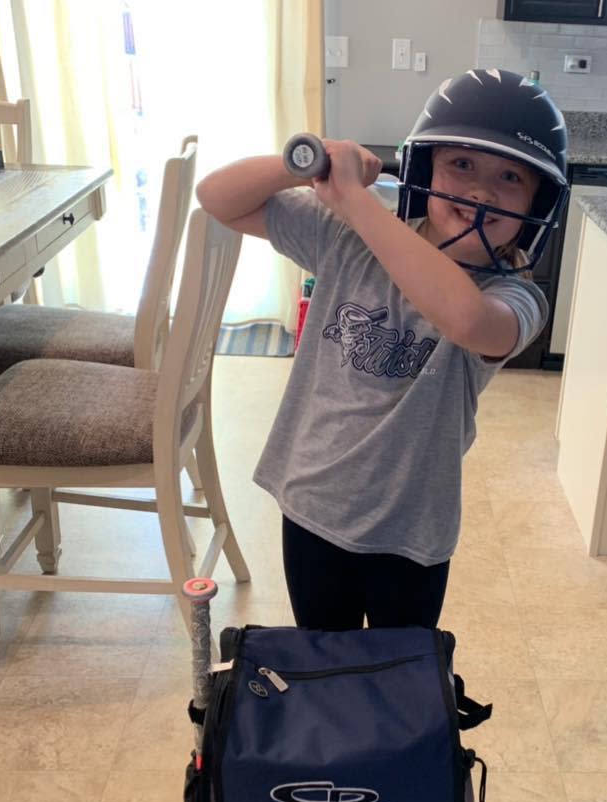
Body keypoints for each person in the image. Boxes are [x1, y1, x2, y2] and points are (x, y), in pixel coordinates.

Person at [196, 68, 568, 631]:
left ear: (537, 202)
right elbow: (215, 198)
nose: (481, 192)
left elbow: (466, 319)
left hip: (411, 528)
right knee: (326, 665)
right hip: (314, 503)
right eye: (461, 163)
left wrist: (355, 202)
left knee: (399, 682)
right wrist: (308, 160)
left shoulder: (515, 294)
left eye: (510, 176)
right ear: (426, 167)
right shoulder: (354, 228)